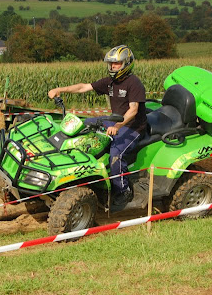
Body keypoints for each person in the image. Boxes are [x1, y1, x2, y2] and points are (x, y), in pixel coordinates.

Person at [48, 45, 147, 209]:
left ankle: (123, 190)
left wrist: (118, 125)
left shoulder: (134, 83)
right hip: (113, 120)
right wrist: (60, 89)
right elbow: (83, 87)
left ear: (127, 64)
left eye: (117, 64)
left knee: (116, 155)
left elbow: (133, 110)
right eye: (111, 64)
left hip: (132, 127)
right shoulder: (110, 82)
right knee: (84, 125)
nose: (112, 67)